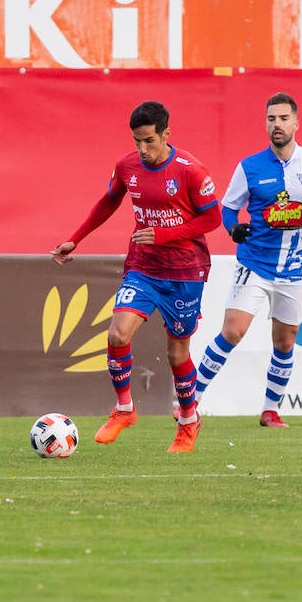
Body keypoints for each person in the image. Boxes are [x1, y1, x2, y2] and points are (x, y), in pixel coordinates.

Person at [51, 101, 222, 453]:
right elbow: (108, 202)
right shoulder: (127, 166)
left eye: (149, 141)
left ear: (166, 134)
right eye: (136, 141)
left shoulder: (191, 171)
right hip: (143, 267)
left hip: (185, 271)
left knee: (177, 353)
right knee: (117, 333)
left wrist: (164, 235)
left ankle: (189, 420)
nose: (142, 150)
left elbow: (213, 219)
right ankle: (125, 409)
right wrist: (76, 237)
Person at [194, 92, 302, 427]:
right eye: (271, 119)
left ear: (296, 123)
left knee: (284, 341)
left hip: (296, 270)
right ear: (265, 124)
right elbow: (228, 208)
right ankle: (189, 401)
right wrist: (234, 229)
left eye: (283, 118)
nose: (277, 124)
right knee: (233, 331)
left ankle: (270, 410)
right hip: (254, 264)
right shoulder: (249, 166)